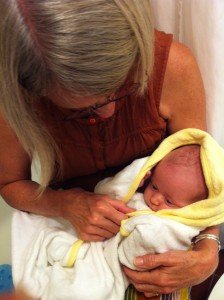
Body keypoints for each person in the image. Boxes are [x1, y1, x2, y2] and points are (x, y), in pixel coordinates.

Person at [0, 1, 219, 298]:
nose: (108, 112)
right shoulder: (19, 96)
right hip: (72, 230)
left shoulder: (172, 67)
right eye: (85, 109)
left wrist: (208, 248)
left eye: (124, 86)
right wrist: (64, 204)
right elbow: (11, 183)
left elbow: (207, 184)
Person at [14, 144, 211, 300]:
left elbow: (134, 255)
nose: (155, 199)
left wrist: (135, 230)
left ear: (193, 207)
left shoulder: (176, 226)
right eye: (155, 186)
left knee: (87, 293)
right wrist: (133, 177)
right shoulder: (141, 196)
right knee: (52, 241)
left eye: (169, 200)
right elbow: (106, 191)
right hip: (88, 237)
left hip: (113, 265)